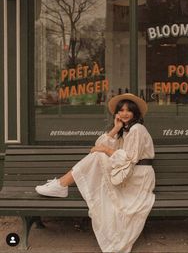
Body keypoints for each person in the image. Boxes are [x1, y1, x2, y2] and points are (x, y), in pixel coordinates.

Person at [35, 93, 156, 253]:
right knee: (97, 155)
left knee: (99, 155)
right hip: (129, 174)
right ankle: (60, 185)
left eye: (128, 110)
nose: (124, 113)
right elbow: (99, 145)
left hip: (139, 177)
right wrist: (116, 128)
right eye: (121, 110)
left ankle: (61, 184)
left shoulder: (137, 129)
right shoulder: (126, 131)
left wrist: (105, 150)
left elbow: (129, 158)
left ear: (135, 112)